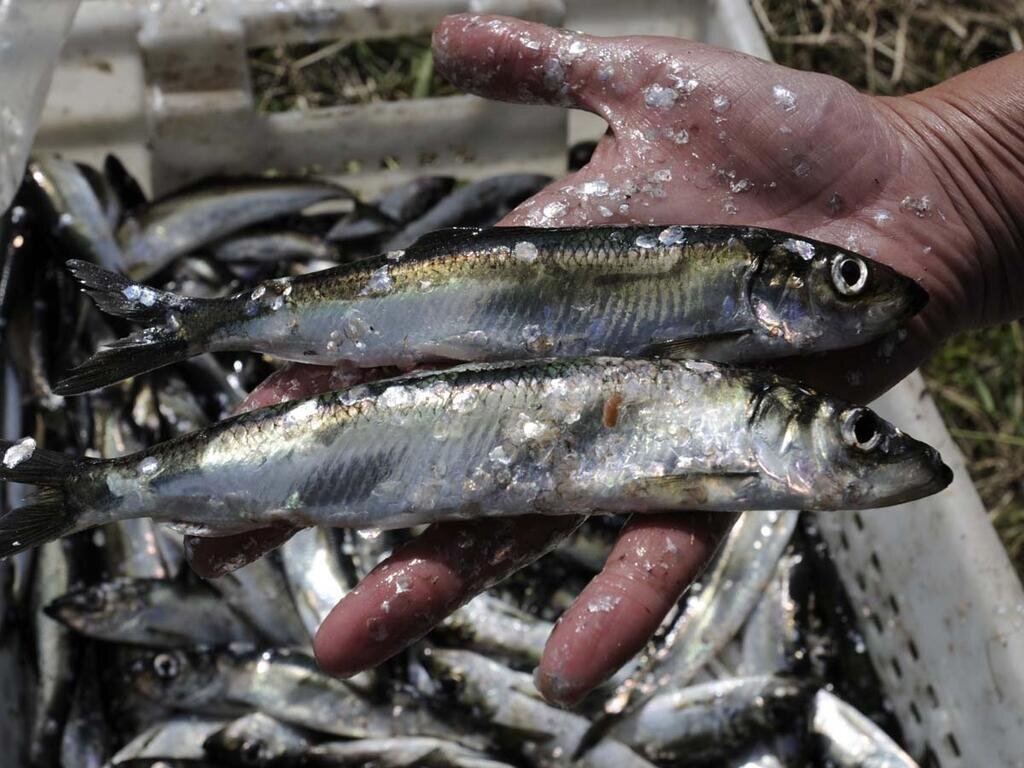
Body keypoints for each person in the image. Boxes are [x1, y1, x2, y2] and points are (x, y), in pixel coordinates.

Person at [185, 14, 1024, 707]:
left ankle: (185, 349)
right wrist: (959, 166)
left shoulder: (746, 372)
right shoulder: (742, 337)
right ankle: (189, 333)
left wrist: (967, 183)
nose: (873, 296)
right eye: (841, 278)